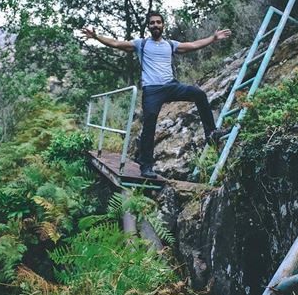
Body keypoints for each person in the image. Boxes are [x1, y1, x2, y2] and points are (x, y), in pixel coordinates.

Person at [81, 11, 231, 178]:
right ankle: (146, 166)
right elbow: (116, 43)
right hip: (152, 90)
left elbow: (193, 45)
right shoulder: (141, 44)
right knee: (149, 124)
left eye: (158, 22)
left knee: (198, 94)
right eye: (152, 23)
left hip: (171, 86)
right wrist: (96, 37)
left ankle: (211, 133)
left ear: (163, 25)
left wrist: (213, 38)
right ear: (149, 26)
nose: (155, 25)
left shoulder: (170, 44)